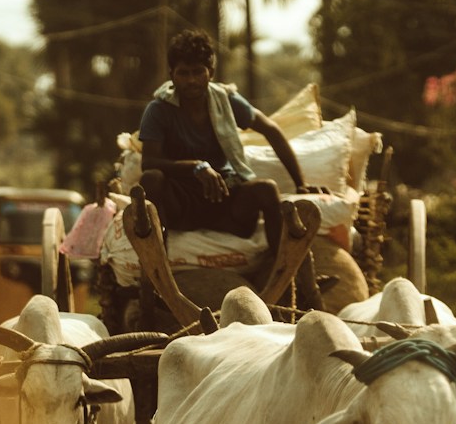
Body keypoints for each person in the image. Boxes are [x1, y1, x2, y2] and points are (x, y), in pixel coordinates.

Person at [135, 28, 320, 294]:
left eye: (198, 72)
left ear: (210, 72)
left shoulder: (225, 100)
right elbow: (149, 162)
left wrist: (301, 184)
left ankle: (284, 278)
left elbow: (272, 131)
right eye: (183, 73)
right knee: (151, 179)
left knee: (266, 189)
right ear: (172, 76)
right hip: (182, 205)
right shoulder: (159, 109)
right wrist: (197, 167)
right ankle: (157, 278)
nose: (191, 80)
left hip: (224, 197)